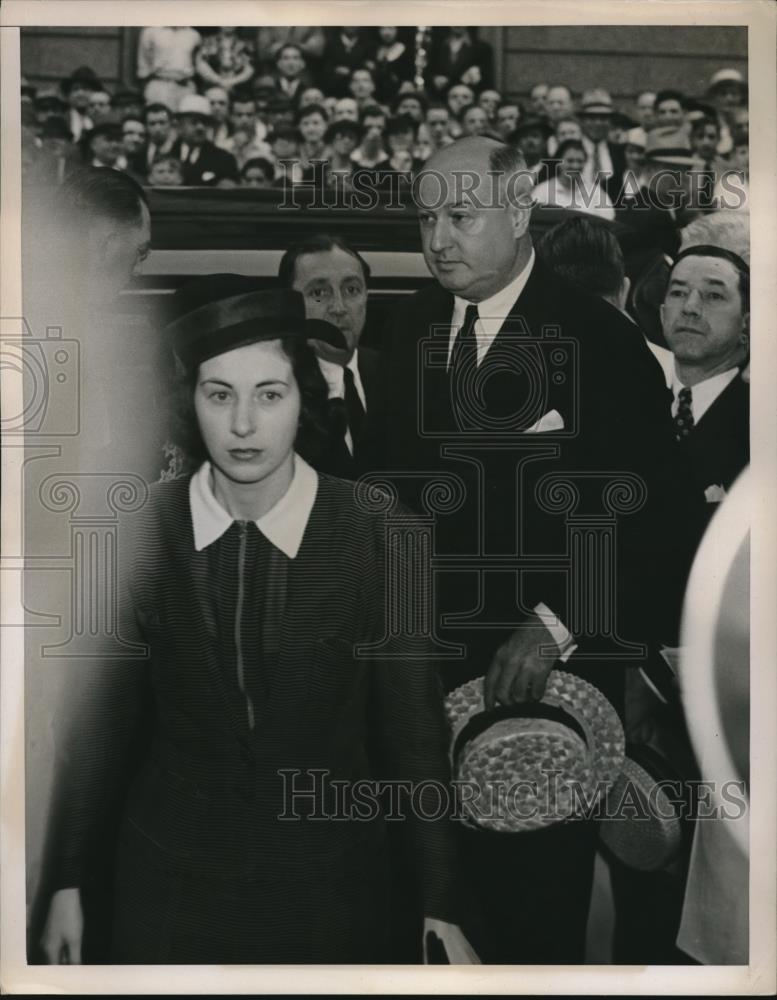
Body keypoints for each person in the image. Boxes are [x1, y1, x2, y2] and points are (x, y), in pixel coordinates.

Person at [38, 280, 476, 965]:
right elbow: (100, 724)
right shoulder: (131, 533)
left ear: (304, 400)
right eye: (219, 394)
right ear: (189, 403)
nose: (243, 424)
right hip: (168, 885)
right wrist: (65, 877)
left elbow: (413, 735)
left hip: (331, 888)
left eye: (269, 394)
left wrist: (440, 903)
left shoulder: (381, 534)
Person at [383, 135, 702, 963]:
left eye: (460, 215)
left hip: (547, 700)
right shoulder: (405, 328)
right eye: (425, 218)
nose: (437, 239)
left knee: (530, 927)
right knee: (430, 925)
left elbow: (656, 522)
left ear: (519, 208)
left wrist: (558, 625)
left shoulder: (597, 338)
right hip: (416, 691)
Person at [279, 236, 385, 477]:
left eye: (351, 290)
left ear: (367, 296)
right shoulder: (276, 390)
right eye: (319, 292)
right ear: (291, 305)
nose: (339, 307)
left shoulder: (398, 375)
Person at [661, 245, 749, 506]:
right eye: (678, 292)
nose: (690, 307)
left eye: (713, 295)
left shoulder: (759, 416)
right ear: (662, 312)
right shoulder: (630, 398)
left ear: (747, 321)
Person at [532, 138, 616, 220]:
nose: (575, 166)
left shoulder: (596, 193)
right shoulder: (542, 191)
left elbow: (608, 222)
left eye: (580, 161)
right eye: (570, 161)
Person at [176, 94, 239, 186]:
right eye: (194, 122)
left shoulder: (224, 160)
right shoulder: (167, 155)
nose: (200, 127)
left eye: (205, 122)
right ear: (180, 126)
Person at [136, 25, 201, 111]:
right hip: (160, 85)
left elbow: (198, 63)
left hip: (185, 86)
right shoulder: (150, 32)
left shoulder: (193, 35)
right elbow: (143, 66)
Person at [195, 26, 255, 93]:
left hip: (238, 89)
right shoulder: (207, 41)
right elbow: (201, 64)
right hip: (212, 88)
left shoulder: (245, 44)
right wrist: (219, 81)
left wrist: (231, 82)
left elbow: (249, 69)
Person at [60, 65, 100, 141]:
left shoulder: (101, 120)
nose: (80, 94)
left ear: (95, 93)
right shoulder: (61, 121)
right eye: (75, 89)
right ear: (68, 95)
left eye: (85, 89)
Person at [143, 103, 180, 172]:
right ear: (146, 126)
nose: (157, 129)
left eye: (162, 123)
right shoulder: (141, 151)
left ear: (171, 124)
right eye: (152, 124)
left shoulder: (180, 151)